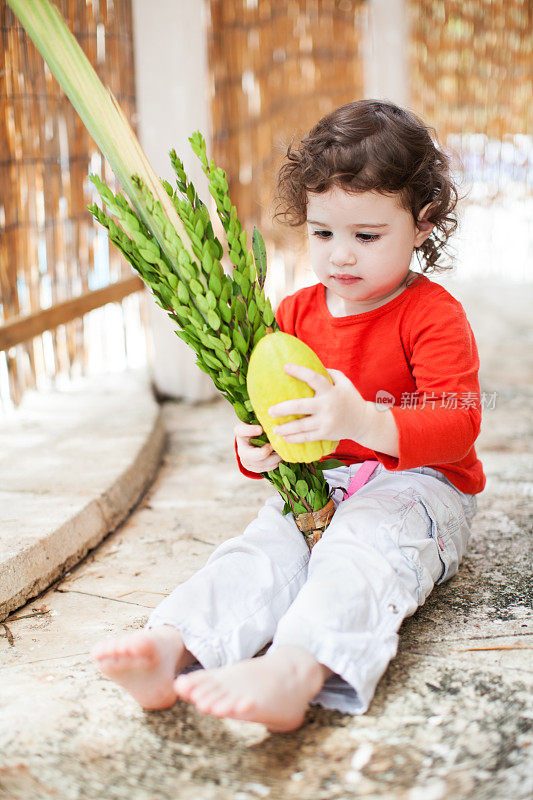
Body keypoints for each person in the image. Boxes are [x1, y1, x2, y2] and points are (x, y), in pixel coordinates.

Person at [91, 99, 485, 732]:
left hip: (421, 487)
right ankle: (174, 645)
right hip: (318, 485)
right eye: (323, 233)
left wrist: (361, 421)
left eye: (367, 236)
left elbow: (459, 427)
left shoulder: (432, 315)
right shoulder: (296, 314)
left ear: (423, 223)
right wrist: (255, 450)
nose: (341, 257)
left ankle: (295, 670)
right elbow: (270, 418)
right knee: (262, 549)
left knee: (361, 550)